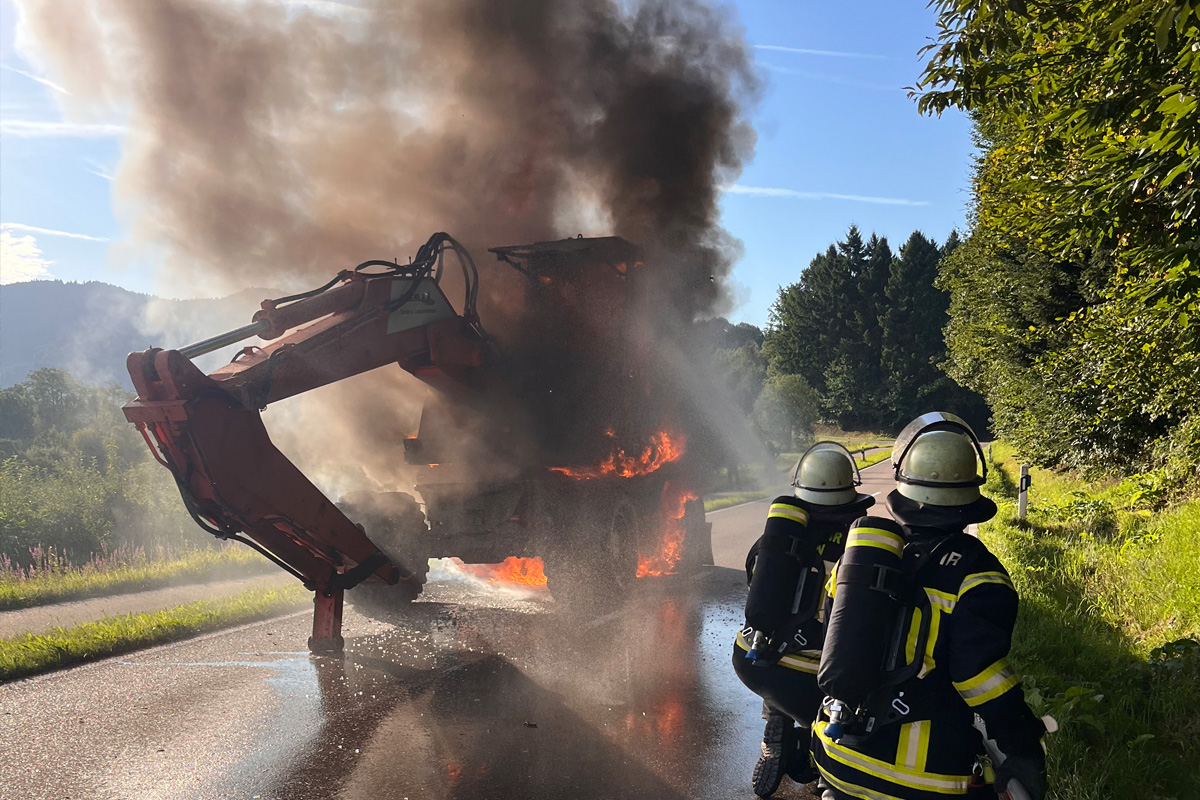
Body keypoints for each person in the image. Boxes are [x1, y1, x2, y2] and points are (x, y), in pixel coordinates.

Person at [811, 413, 1048, 800]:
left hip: (835, 754)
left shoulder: (857, 559)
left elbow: (834, 636)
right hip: (918, 780)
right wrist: (1022, 744)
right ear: (971, 495)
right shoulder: (979, 576)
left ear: (904, 487)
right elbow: (980, 679)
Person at [733, 442, 876, 798]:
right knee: (855, 679)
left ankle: (776, 721)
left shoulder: (773, 542)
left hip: (753, 662)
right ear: (850, 490)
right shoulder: (858, 548)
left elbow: (760, 598)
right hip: (815, 678)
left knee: (776, 648)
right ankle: (828, 766)